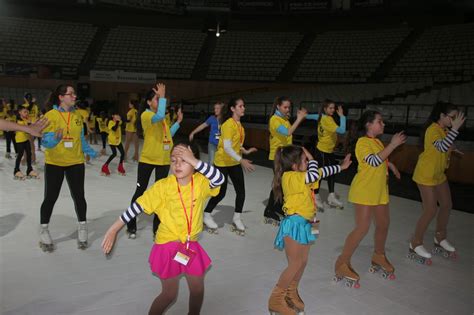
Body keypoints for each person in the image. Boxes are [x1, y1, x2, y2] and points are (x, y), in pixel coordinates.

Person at [101, 142, 224, 315]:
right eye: (174, 160)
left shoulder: (201, 183)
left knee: (197, 289)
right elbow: (137, 207)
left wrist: (195, 161)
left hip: (189, 244)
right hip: (167, 245)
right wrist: (114, 229)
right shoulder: (163, 187)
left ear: (194, 162)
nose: (177, 164)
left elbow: (219, 179)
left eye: (184, 160)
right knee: (169, 294)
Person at [268, 145, 351, 314]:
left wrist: (341, 167)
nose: (307, 162)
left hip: (309, 222)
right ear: (294, 164)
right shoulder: (289, 177)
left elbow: (320, 172)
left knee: (303, 261)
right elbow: (314, 172)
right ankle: (276, 300)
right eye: (304, 160)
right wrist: (313, 159)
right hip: (295, 223)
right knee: (295, 263)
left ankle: (291, 291)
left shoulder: (302, 176)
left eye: (307, 160)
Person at [334, 110, 406, 287]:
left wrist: (390, 164)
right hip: (365, 191)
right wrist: (393, 145)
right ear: (368, 124)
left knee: (383, 224)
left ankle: (379, 256)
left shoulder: (377, 142)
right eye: (380, 121)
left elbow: (380, 159)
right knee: (362, 228)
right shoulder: (362, 142)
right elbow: (373, 161)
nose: (383, 124)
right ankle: (342, 263)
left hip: (379, 191)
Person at [39, 85, 97, 252]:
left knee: (79, 196)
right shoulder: (50, 115)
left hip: (76, 162)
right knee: (50, 197)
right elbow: (45, 141)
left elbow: (80, 139)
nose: (74, 96)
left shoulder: (78, 115)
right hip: (55, 163)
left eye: (74, 93)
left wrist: (90, 152)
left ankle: (83, 227)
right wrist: (54, 140)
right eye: (70, 94)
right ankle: (44, 229)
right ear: (61, 97)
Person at [409, 102, 465, 264]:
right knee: (431, 209)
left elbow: (446, 144)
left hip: (439, 175)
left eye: (455, 118)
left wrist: (452, 147)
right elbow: (440, 146)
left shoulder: (444, 130)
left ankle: (440, 237)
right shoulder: (432, 130)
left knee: (447, 204)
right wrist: (454, 130)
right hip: (425, 175)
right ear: (441, 116)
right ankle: (415, 242)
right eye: (452, 117)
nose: (454, 121)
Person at [126, 83, 183, 239]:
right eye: (156, 99)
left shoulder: (162, 118)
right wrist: (163, 96)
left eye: (160, 99)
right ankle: (131, 225)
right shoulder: (147, 115)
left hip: (163, 161)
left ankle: (157, 228)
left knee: (161, 196)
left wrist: (178, 122)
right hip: (148, 160)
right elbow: (158, 116)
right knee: (140, 192)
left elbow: (168, 135)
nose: (159, 102)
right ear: (149, 102)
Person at [202, 98, 257, 236]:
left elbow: (235, 144)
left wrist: (245, 151)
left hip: (234, 162)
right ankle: (207, 214)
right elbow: (226, 147)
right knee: (221, 193)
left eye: (244, 105)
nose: (243, 108)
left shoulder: (239, 126)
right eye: (240, 106)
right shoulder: (228, 125)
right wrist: (242, 160)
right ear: (233, 109)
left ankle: (237, 217)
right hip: (222, 162)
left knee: (241, 191)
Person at [264, 96, 307, 226]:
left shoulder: (284, 119)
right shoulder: (274, 120)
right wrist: (299, 119)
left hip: (286, 157)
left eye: (289, 107)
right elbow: (287, 133)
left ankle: (277, 207)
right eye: (285, 107)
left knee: (283, 184)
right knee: (279, 184)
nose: (287, 109)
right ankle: (269, 211)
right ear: (278, 106)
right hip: (277, 157)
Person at [314, 100, 347, 211]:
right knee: (320, 174)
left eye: (334, 108)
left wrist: (305, 115)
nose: (333, 110)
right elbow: (342, 130)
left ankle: (331, 196)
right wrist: (342, 116)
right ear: (325, 109)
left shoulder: (322, 117)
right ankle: (315, 195)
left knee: (332, 173)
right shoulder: (327, 120)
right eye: (331, 108)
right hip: (322, 151)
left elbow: (312, 116)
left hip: (329, 151)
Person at [13, 107, 39, 179]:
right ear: (20, 112)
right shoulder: (18, 121)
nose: (26, 113)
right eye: (24, 112)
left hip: (26, 140)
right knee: (20, 155)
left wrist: (34, 123)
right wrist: (31, 123)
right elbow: (25, 128)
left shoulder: (26, 119)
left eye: (27, 112)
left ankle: (29, 170)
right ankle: (16, 170)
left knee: (29, 154)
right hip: (19, 140)